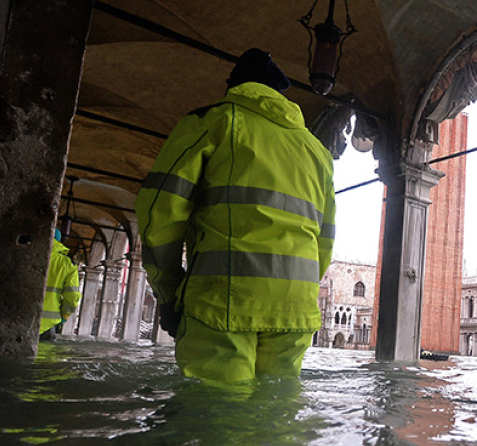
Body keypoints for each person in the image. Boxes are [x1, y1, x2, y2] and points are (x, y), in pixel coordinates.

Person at [136, 48, 335, 382]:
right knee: (278, 417)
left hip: (223, 300)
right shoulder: (317, 152)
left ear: (234, 86)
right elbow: (324, 242)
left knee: (216, 415)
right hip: (296, 309)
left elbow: (159, 211)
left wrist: (169, 292)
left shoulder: (213, 120)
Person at [40, 229, 81, 339]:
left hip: (20, 317)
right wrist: (64, 315)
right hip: (49, 323)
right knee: (46, 355)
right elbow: (72, 296)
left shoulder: (28, 255)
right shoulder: (67, 264)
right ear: (59, 241)